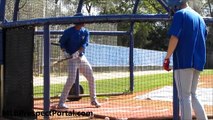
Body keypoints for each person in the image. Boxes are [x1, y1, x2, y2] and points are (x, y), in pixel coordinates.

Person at [163, 0, 208, 120]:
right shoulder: (200, 18)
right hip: (198, 61)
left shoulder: (180, 14)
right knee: (193, 95)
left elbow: (174, 37)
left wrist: (167, 58)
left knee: (184, 97)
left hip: (183, 60)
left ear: (176, 4)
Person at [58, 13, 101, 109]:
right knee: (71, 80)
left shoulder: (85, 32)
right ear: (78, 21)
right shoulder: (68, 32)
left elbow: (85, 44)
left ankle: (93, 100)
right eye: (82, 20)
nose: (84, 22)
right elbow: (62, 43)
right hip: (71, 59)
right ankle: (61, 103)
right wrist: (65, 52)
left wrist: (78, 52)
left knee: (91, 77)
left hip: (81, 58)